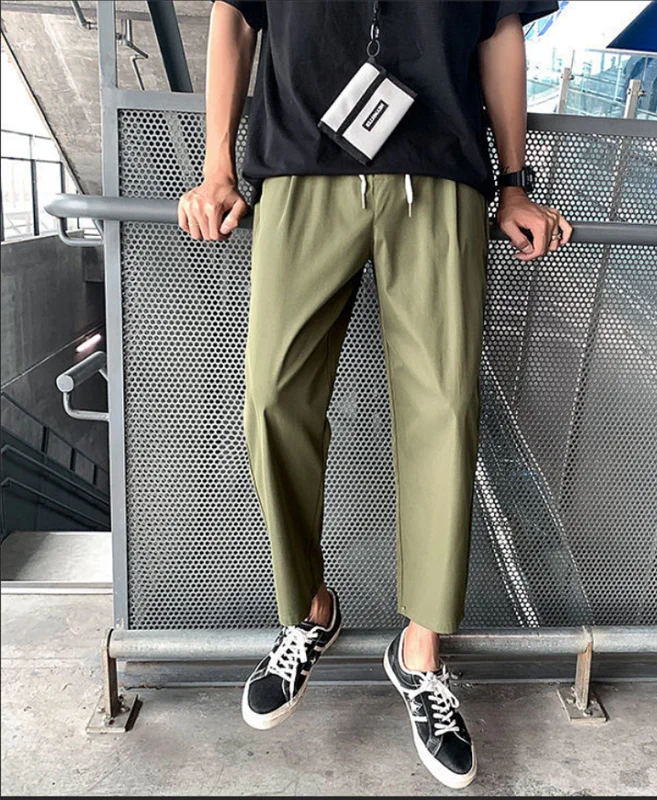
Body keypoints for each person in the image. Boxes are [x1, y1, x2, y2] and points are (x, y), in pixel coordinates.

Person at [179, 0, 570, 789]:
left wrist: (515, 183)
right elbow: (236, 15)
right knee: (271, 398)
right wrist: (218, 165)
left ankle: (420, 652)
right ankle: (310, 609)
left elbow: (501, 29)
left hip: (441, 170)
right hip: (299, 163)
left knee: (446, 410)